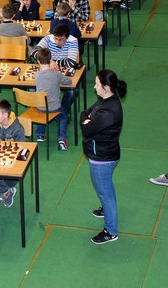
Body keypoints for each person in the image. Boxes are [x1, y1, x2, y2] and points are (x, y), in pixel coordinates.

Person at [82, 69, 127, 245]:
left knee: (105, 192)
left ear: (106, 87)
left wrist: (88, 121)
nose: (94, 87)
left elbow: (87, 129)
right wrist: (87, 119)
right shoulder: (105, 100)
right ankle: (106, 210)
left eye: (97, 84)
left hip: (102, 159)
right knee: (106, 188)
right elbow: (85, 113)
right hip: (106, 153)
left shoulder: (108, 111)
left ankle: (111, 231)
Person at [32, 48, 74, 149]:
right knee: (63, 118)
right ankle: (62, 138)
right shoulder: (56, 74)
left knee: (41, 110)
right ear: (51, 59)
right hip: (55, 107)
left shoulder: (36, 75)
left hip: (41, 106)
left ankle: (40, 134)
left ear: (38, 61)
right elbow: (69, 81)